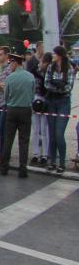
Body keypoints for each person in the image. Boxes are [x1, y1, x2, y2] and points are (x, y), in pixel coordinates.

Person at [0, 53, 33, 178]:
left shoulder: (10, 78)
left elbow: (6, 96)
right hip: (26, 109)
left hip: (12, 109)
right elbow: (32, 94)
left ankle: (4, 167)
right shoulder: (30, 77)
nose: (10, 65)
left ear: (15, 63)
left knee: (8, 139)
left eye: (11, 63)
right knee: (24, 140)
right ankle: (22, 169)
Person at [42, 45, 73, 174]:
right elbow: (46, 83)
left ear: (59, 55)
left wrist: (58, 85)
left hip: (63, 102)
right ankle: (52, 161)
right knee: (52, 133)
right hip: (51, 101)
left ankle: (62, 163)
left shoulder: (69, 68)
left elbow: (69, 87)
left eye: (54, 54)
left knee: (59, 133)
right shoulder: (51, 67)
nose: (52, 56)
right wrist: (58, 86)